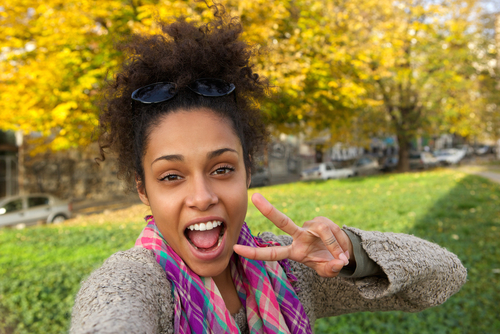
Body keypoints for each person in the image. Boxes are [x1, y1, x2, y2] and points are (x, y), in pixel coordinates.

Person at [70, 7, 467, 334]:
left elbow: (444, 276)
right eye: (171, 176)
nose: (202, 196)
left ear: (247, 171)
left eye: (222, 168)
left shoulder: (288, 269)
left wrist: (349, 252)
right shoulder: (135, 283)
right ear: (143, 190)